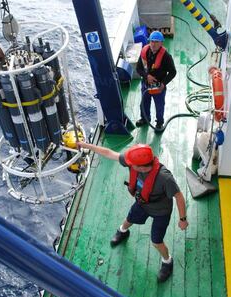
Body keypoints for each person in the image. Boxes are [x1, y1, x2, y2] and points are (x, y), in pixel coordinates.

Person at [78, 141, 188, 282]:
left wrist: (183, 219)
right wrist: (87, 146)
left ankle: (167, 261)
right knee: (129, 219)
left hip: (161, 211)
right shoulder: (135, 162)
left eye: (132, 164)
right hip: (142, 203)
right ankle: (123, 231)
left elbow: (178, 196)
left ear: (141, 168)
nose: (128, 163)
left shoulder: (165, 178)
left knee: (156, 241)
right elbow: (109, 153)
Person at [136, 31, 177, 131]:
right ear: (149, 41)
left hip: (159, 87)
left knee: (159, 105)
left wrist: (163, 83)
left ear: (161, 43)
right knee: (144, 102)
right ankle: (145, 119)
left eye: (157, 42)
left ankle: (159, 123)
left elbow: (173, 72)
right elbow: (139, 68)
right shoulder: (144, 52)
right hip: (146, 84)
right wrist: (147, 76)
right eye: (152, 41)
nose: (154, 44)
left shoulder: (166, 57)